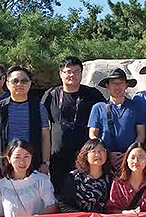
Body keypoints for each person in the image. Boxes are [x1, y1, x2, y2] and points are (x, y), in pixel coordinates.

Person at [41, 57, 105, 194]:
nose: (72, 75)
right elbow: (41, 126)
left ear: (81, 74)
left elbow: (104, 121)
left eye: (76, 72)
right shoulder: (51, 95)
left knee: (84, 192)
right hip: (57, 157)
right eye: (68, 72)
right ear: (61, 74)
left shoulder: (93, 95)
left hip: (85, 156)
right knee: (58, 194)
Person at [0, 66, 50, 176]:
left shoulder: (38, 108)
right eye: (15, 81)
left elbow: (45, 136)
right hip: (3, 167)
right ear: (7, 84)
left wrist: (45, 162)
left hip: (32, 165)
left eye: (24, 81)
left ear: (30, 84)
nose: (19, 84)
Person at [88, 67, 146, 172]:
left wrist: (129, 154)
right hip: (105, 160)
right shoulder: (98, 108)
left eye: (121, 83)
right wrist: (106, 153)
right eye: (113, 83)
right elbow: (93, 135)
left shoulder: (136, 107)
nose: (117, 86)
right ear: (107, 85)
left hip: (130, 160)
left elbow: (141, 134)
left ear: (126, 85)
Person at [0, 139, 58, 217]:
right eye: (17, 157)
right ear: (9, 159)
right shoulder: (2, 184)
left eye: (26, 156)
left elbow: (52, 206)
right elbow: (0, 213)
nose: (22, 162)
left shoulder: (41, 180)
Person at [60, 139, 113, 213]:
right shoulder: (74, 177)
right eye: (93, 151)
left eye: (102, 150)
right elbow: (64, 205)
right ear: (85, 155)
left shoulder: (111, 178)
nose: (98, 154)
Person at [106, 142, 146, 214]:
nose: (136, 161)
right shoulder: (118, 183)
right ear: (127, 159)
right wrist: (126, 213)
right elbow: (111, 209)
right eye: (132, 157)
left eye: (141, 157)